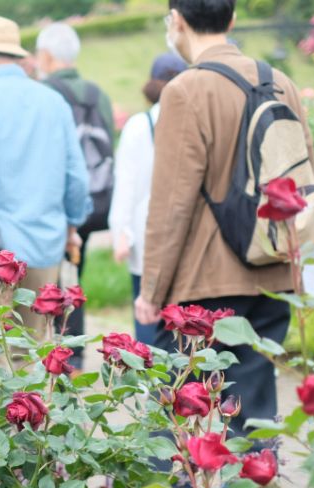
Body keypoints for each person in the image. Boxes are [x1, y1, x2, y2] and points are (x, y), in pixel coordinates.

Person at [135, 0, 314, 437]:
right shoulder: (281, 82)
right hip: (274, 273)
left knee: (175, 412)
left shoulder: (183, 91)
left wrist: (151, 291)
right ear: (231, 20)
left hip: (204, 287)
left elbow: (171, 204)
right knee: (252, 412)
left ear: (176, 21)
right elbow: (305, 175)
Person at [0, 15, 91, 341]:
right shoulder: (54, 101)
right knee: (32, 358)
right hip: (44, 248)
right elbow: (77, 179)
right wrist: (71, 226)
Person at [36, 22, 116, 365]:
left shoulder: (42, 93)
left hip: (52, 203)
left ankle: (53, 352)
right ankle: (76, 352)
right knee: (73, 276)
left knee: (45, 280)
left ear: (46, 56)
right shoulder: (100, 94)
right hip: (94, 201)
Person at [108, 53, 186, 343]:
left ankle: (152, 384)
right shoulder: (193, 118)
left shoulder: (140, 124)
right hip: (186, 237)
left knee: (147, 313)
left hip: (145, 237)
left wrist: (121, 233)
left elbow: (126, 184)